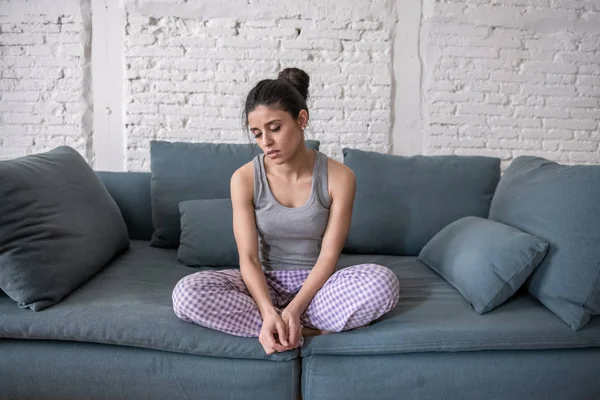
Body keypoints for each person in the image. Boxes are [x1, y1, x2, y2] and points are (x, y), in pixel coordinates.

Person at [172, 67, 399, 355]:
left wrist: (294, 308)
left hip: (318, 286)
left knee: (382, 282)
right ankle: (298, 329)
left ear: (301, 119)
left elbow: (329, 256)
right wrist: (268, 311)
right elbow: (249, 257)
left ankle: (286, 326)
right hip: (261, 286)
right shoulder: (243, 179)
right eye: (257, 133)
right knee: (186, 295)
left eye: (275, 128)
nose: (265, 141)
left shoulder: (340, 178)